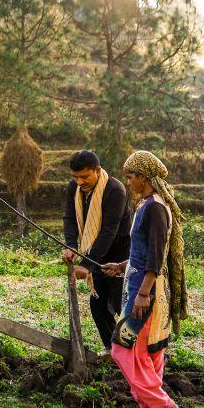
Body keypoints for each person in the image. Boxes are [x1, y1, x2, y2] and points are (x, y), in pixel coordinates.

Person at [101, 150, 188, 408]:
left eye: (130, 176)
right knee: (149, 353)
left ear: (144, 177)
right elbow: (144, 252)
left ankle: (163, 407)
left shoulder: (155, 208)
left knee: (123, 347)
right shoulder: (149, 205)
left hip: (145, 293)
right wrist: (122, 265)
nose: (128, 181)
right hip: (143, 286)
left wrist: (143, 293)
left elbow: (156, 257)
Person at [61, 150, 131, 353]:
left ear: (97, 171)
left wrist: (86, 264)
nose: (80, 181)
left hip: (119, 254)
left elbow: (109, 231)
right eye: (75, 177)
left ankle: (138, 351)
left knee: (121, 304)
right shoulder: (75, 187)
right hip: (94, 253)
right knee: (98, 305)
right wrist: (71, 245)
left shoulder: (115, 190)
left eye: (84, 176)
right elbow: (69, 216)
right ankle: (113, 349)